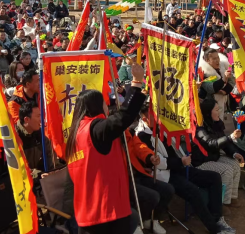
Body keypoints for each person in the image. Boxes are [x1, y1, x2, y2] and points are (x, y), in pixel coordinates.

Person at [65, 63, 146, 234]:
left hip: (86, 210)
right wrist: (136, 83)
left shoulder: (76, 132)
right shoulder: (96, 129)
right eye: (104, 102)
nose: (107, 105)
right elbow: (123, 117)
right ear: (96, 105)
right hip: (106, 210)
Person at [135, 108, 232, 234]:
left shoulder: (162, 127)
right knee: (193, 191)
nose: (158, 117)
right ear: (145, 119)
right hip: (165, 174)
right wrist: (181, 161)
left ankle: (217, 218)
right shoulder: (142, 135)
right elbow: (157, 161)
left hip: (181, 166)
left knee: (214, 177)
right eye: (154, 115)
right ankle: (214, 228)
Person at [191, 98, 243, 206]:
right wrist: (231, 137)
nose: (219, 112)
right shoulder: (199, 128)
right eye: (216, 110)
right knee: (227, 170)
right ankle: (221, 203)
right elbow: (211, 143)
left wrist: (234, 153)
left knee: (235, 164)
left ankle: (232, 198)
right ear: (208, 112)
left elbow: (224, 143)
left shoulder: (216, 124)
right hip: (201, 161)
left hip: (213, 157)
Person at [15, 101, 56, 180]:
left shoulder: (39, 134)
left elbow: (50, 156)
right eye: (38, 116)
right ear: (26, 119)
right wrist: (38, 174)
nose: (41, 119)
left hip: (41, 179)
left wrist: (52, 171)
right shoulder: (15, 137)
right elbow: (19, 168)